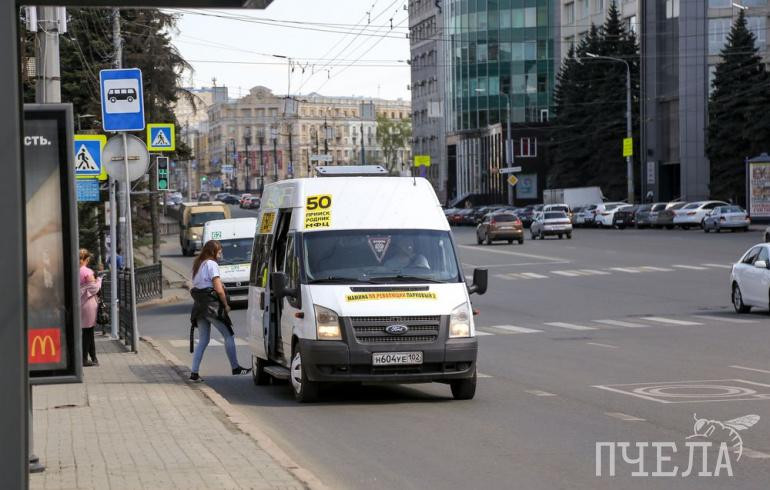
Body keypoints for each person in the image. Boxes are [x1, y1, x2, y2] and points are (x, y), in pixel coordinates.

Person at [189, 240, 251, 382]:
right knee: (228, 334)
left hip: (199, 307)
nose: (221, 253)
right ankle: (235, 367)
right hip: (212, 307)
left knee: (203, 340)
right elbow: (219, 289)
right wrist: (226, 305)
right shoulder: (212, 264)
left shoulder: (198, 264)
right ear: (213, 252)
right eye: (220, 251)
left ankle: (194, 372)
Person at [79, 249, 102, 366]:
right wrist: (99, 280)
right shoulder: (86, 271)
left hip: (81, 304)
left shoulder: (75, 270)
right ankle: (84, 358)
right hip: (88, 304)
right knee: (88, 332)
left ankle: (93, 357)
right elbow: (94, 288)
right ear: (85, 259)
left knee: (88, 331)